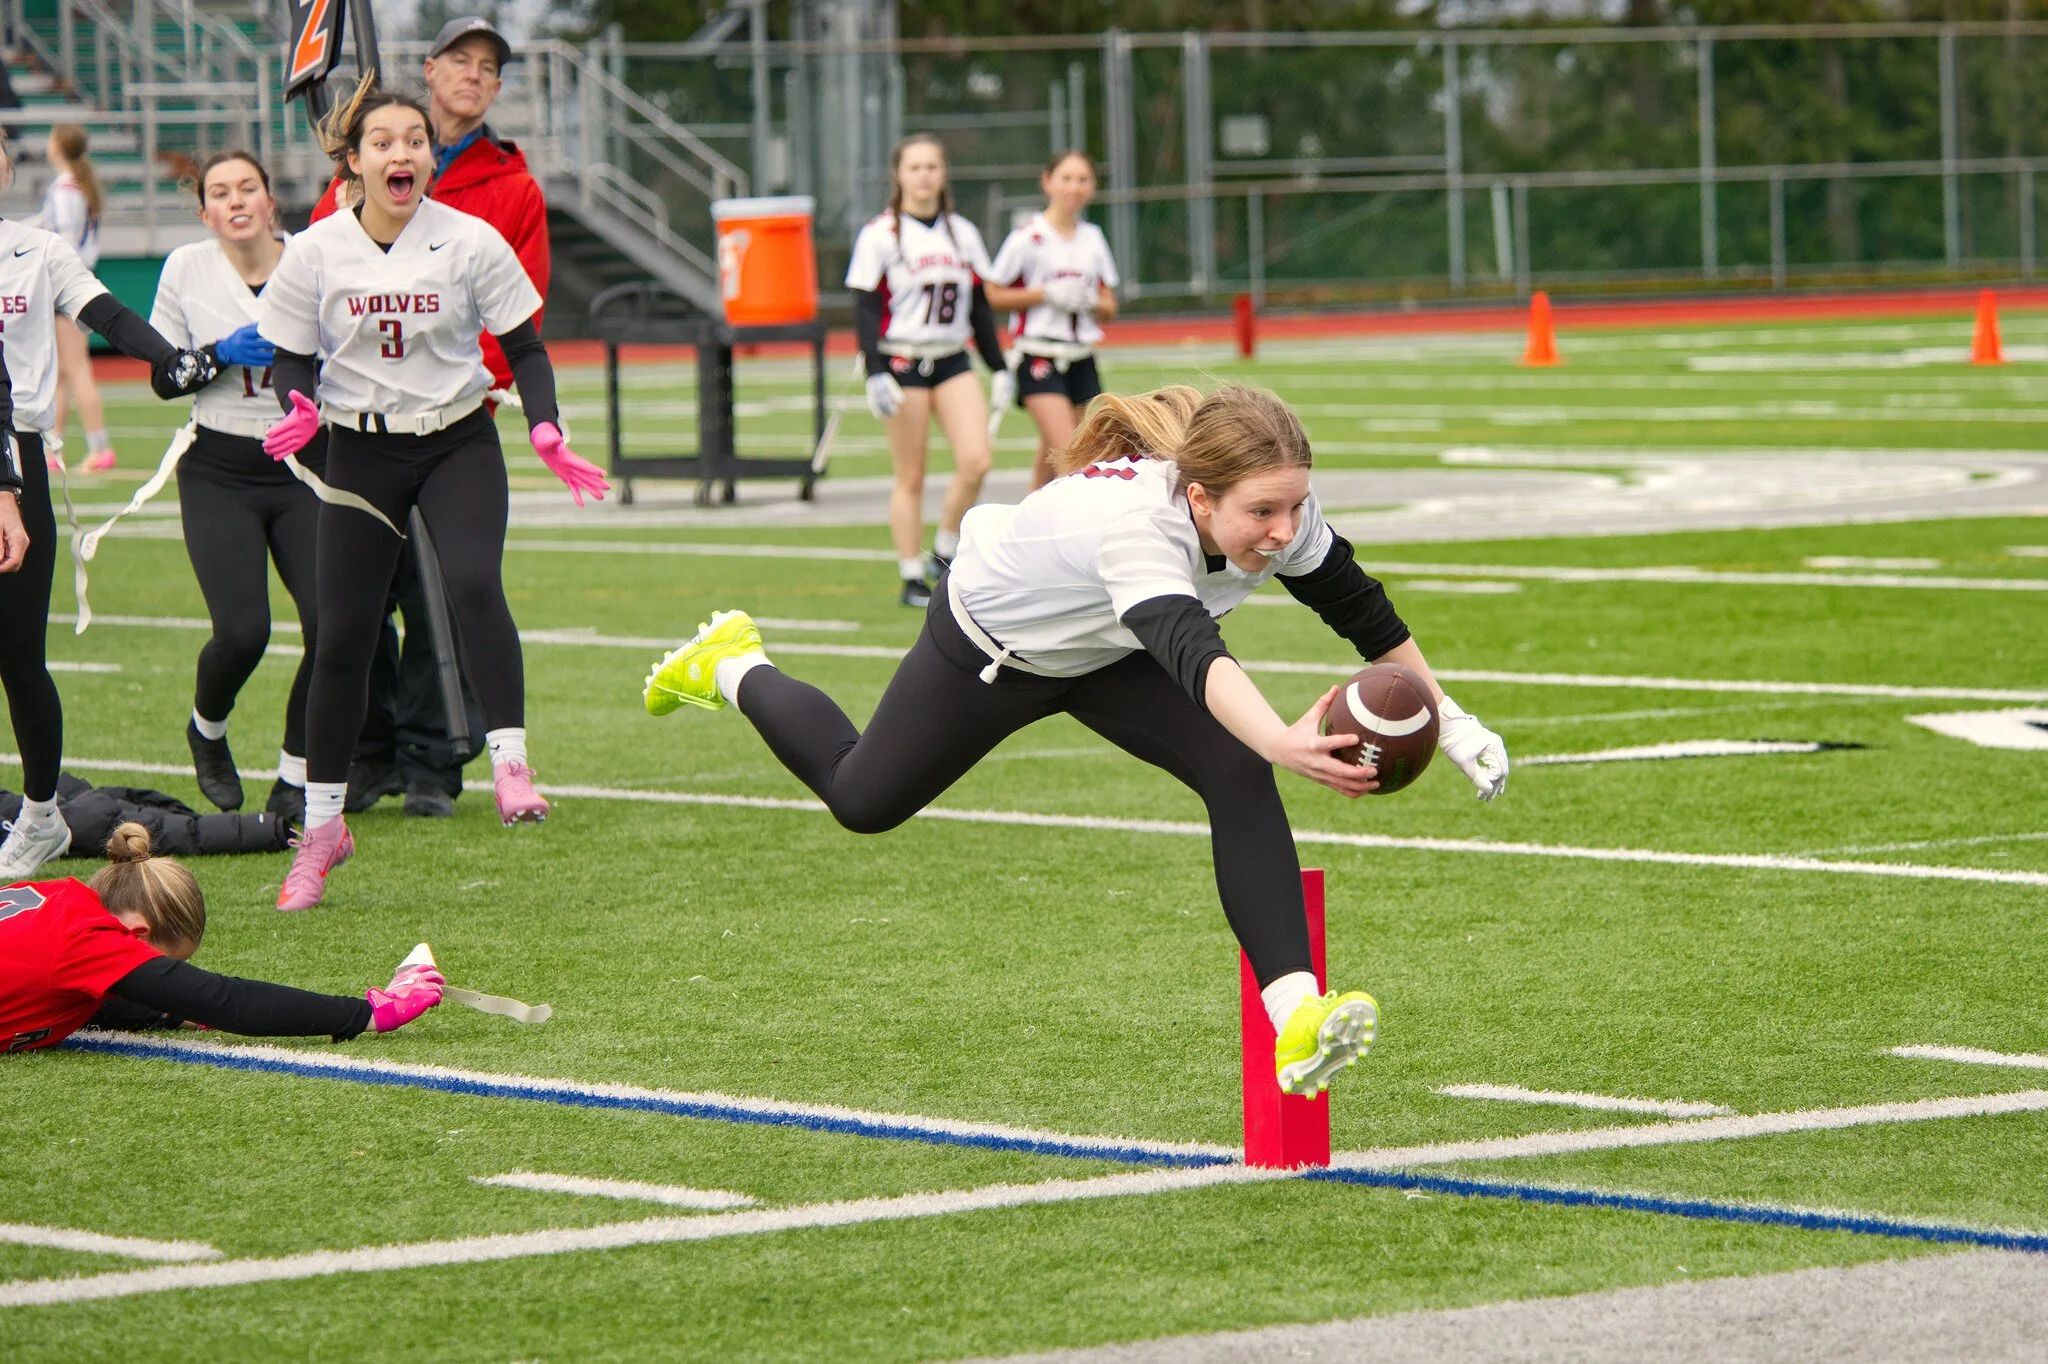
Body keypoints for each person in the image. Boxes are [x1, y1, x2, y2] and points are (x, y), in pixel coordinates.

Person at [642, 385, 1511, 1095]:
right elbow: (1191, 651)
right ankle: (732, 662)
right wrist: (1285, 741)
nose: (1284, 531)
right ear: (1199, 497)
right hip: (995, 647)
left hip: (1111, 650)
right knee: (862, 799)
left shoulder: (1283, 514)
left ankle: (1298, 1016)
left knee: (1237, 767)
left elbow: (1363, 612)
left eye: (1294, 506)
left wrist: (1454, 719)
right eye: (1263, 512)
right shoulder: (1137, 529)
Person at [258, 77, 607, 911]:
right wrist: (297, 403)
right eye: (382, 141)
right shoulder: (316, 250)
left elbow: (526, 347)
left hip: (456, 439)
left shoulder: (470, 240)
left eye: (414, 140)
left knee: (474, 585)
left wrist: (546, 426)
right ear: (353, 161)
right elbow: (291, 355)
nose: (401, 153)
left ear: (430, 156)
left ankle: (511, 764)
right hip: (361, 450)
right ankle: (322, 829)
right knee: (342, 637)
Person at [313, 15, 550, 820]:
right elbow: (322, 278)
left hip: (453, 417)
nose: (474, 75)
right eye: (461, 59)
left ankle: (434, 758)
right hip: (361, 425)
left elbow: (518, 314)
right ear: (430, 68)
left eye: (489, 66)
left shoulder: (512, 186)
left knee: (450, 594)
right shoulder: (358, 172)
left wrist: (445, 373)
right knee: (358, 604)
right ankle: (366, 753)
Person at [0, 137, 221, 884]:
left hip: (17, 458)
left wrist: (168, 357)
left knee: (18, 654)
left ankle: (40, 815)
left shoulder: (36, 250)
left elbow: (108, 314)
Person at [150, 150, 319, 828]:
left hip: (305, 461)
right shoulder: (186, 267)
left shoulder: (312, 258)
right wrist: (220, 353)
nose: (236, 200)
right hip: (220, 463)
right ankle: (208, 729)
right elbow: (164, 377)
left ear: (271, 201)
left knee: (335, 627)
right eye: (220, 192)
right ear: (205, 213)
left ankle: (296, 774)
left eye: (248, 187)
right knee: (244, 631)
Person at [0, 822, 442, 1054]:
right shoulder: (91, 941)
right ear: (138, 932)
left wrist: (173, 1013)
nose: (166, 979)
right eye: (166, 966)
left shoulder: (57, 894)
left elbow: (77, 994)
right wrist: (369, 1014)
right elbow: (228, 1001)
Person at [846, 133, 1008, 607]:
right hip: (902, 361)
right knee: (911, 475)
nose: (923, 176)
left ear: (943, 173)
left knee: (977, 460)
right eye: (914, 167)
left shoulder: (962, 232)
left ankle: (945, 548)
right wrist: (875, 370)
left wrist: (999, 366)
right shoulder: (881, 234)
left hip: (952, 358)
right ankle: (911, 575)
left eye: (931, 166)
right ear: (898, 175)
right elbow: (865, 308)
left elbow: (979, 306)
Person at [985, 151, 1120, 491]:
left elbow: (1109, 305)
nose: (1074, 187)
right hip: (1039, 354)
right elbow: (993, 293)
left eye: (1083, 179)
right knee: (1071, 454)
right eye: (1066, 178)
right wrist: (1044, 294)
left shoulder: (1092, 237)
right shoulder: (1028, 237)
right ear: (1048, 182)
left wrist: (1092, 301)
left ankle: (1030, 513)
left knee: (1052, 458)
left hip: (1081, 356)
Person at [42, 124, 116, 473]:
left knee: (77, 368)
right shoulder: (79, 184)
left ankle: (100, 447)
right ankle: (52, 449)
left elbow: (65, 244)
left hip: (67, 284)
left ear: (58, 146)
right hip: (78, 279)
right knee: (61, 371)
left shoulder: (64, 188)